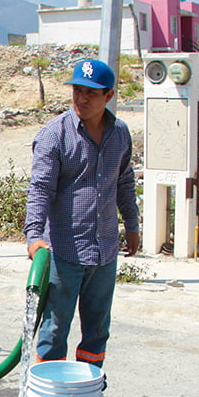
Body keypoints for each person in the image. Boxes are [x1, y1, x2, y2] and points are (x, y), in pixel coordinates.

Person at [24, 57, 141, 368]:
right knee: (54, 329)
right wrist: (34, 237)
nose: (82, 99)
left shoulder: (120, 134)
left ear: (109, 96)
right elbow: (40, 189)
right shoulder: (55, 135)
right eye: (77, 90)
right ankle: (48, 395)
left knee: (97, 330)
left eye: (91, 92)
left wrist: (132, 224)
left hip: (104, 251)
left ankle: (86, 395)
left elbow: (124, 181)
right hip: (64, 251)